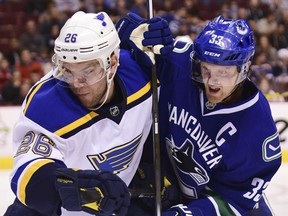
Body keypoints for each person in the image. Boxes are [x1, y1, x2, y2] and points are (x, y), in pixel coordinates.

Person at [116, 13, 282, 215]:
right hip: (170, 186)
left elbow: (233, 202)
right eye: (206, 70)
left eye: (224, 72)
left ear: (244, 69)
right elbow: (121, 46)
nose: (212, 82)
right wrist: (131, 31)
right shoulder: (180, 62)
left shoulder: (257, 127)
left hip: (223, 204)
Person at [4, 10, 162, 216]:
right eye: (68, 71)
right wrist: (75, 188)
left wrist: (165, 43)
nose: (77, 83)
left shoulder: (143, 74)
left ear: (112, 63)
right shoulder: (47, 105)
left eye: (88, 71)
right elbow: (27, 175)